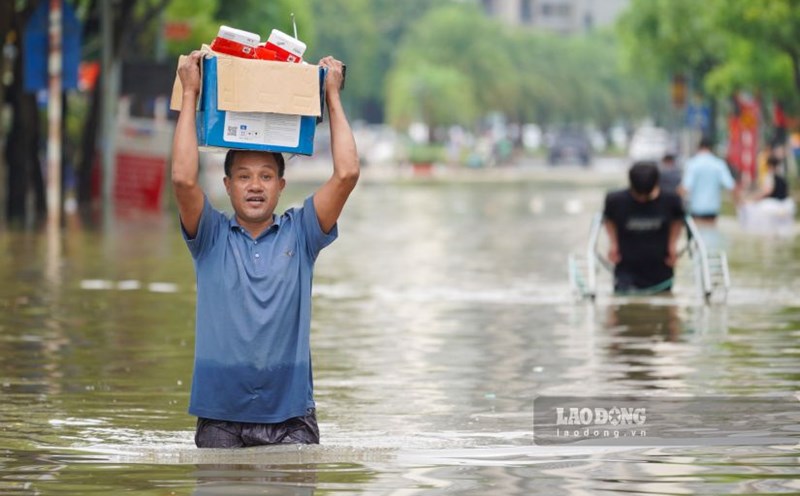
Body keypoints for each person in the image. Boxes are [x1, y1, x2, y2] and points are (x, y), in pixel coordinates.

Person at [172, 51, 359, 448]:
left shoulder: (302, 232)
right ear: (227, 186)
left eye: (265, 176)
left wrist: (332, 97)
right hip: (220, 419)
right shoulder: (210, 236)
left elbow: (346, 174)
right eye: (243, 176)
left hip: (292, 420)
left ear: (281, 185)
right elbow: (183, 181)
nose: (255, 186)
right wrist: (190, 93)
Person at [603, 162, 685, 293]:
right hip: (626, 268)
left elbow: (677, 221)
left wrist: (672, 245)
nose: (642, 199)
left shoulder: (671, 200)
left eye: (646, 195)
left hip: (660, 267)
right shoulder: (615, 200)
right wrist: (613, 244)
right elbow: (609, 220)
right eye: (638, 195)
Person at [681, 137, 736, 224]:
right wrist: (737, 204)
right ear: (711, 148)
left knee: (698, 235)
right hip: (712, 209)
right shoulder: (718, 164)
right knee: (710, 235)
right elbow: (731, 185)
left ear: (698, 147)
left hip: (696, 208)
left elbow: (686, 187)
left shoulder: (692, 164)